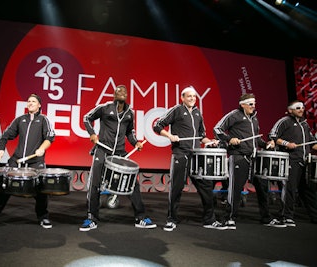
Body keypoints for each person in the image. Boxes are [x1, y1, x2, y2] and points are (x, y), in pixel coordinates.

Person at [0, 93, 56, 229]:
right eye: (29, 101)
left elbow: (50, 137)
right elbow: (5, 136)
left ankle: (43, 218)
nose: (30, 103)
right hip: (17, 160)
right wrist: (0, 148)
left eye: (33, 101)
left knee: (40, 191)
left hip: (35, 162)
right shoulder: (20, 120)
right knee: (2, 187)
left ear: (39, 105)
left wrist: (42, 148)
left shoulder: (44, 120)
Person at [79, 84, 157, 231]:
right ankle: (91, 218)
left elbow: (130, 132)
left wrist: (135, 142)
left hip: (120, 153)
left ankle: (140, 218)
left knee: (132, 184)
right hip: (102, 150)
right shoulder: (105, 108)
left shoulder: (129, 113)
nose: (122, 92)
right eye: (118, 91)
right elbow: (86, 118)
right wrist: (92, 134)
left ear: (127, 96)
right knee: (95, 185)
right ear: (114, 95)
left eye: (124, 91)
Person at [153, 85, 227, 231]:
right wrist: (170, 136)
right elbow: (157, 125)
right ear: (182, 98)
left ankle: (209, 220)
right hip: (180, 154)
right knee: (176, 188)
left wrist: (211, 142)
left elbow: (202, 136)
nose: (192, 99)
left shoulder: (198, 113)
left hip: (197, 156)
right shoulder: (177, 110)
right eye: (189, 96)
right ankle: (171, 220)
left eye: (194, 96)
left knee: (206, 187)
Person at [213, 93, 285, 229]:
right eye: (251, 104)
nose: (253, 106)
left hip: (254, 157)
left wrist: (266, 145)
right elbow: (217, 129)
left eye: (254, 103)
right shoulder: (234, 115)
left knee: (263, 188)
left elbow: (256, 139)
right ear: (242, 104)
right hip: (239, 156)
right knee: (235, 188)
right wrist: (229, 139)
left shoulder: (254, 119)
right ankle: (229, 218)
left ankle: (266, 217)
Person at [269, 100, 317, 226]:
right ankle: (286, 216)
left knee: (307, 190)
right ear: (290, 110)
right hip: (290, 160)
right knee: (289, 188)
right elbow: (273, 136)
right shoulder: (284, 121)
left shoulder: (305, 124)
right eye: (298, 108)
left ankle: (315, 216)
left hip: (304, 161)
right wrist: (286, 144)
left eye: (302, 107)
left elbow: (312, 142)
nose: (301, 109)